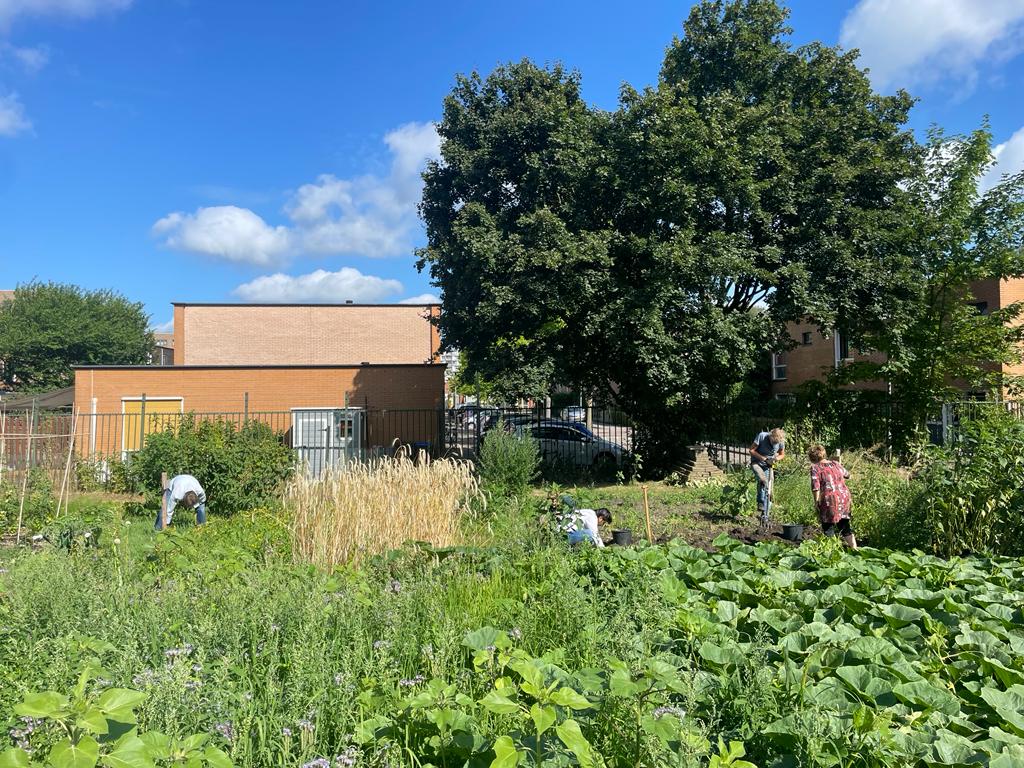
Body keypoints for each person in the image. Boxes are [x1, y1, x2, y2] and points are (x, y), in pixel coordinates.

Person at [808, 444, 857, 549]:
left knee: (828, 527)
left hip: (830, 500)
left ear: (812, 458)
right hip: (844, 497)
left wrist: (816, 502)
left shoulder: (815, 468)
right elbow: (848, 475)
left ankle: (832, 552)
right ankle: (855, 549)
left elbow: (815, 487)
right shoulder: (835, 463)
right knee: (844, 526)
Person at [750, 427, 786, 525]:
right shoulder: (762, 436)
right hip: (756, 463)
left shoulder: (780, 441)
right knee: (763, 480)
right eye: (773, 442)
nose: (774, 444)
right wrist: (764, 459)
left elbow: (782, 454)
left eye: (776, 443)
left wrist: (776, 459)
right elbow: (751, 450)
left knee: (769, 490)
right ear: (770, 436)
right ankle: (760, 502)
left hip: (768, 466)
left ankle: (764, 515)